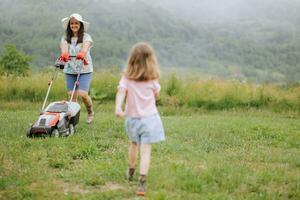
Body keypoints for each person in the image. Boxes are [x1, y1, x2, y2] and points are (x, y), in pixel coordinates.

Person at [115, 42, 165, 196]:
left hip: (132, 119)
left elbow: (121, 92)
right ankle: (142, 181)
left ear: (132, 60)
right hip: (150, 119)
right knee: (146, 150)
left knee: (133, 144)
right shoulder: (152, 80)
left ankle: (130, 171)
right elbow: (157, 95)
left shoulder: (127, 78)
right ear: (151, 61)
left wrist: (118, 107)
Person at [59, 13, 94, 124]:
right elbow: (64, 48)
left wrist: (82, 52)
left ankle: (90, 112)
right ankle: (73, 119)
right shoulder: (65, 38)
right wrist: (64, 54)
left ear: (80, 25)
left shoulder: (86, 37)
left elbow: (86, 46)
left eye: (76, 23)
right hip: (70, 69)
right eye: (72, 23)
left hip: (84, 69)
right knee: (71, 96)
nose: (74, 25)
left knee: (83, 94)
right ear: (69, 25)